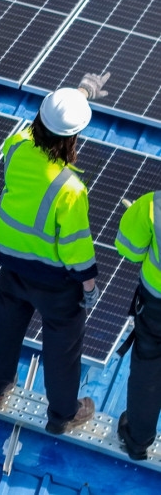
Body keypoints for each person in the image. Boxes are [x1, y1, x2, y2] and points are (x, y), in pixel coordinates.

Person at [0, 71, 110, 435]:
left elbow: (40, 126)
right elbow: (76, 248)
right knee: (62, 346)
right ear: (74, 137)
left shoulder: (16, 147)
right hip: (54, 280)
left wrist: (80, 93)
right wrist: (89, 288)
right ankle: (62, 415)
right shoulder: (70, 188)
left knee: (5, 327)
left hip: (11, 262)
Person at [115, 192, 161, 460]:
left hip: (156, 307)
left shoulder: (154, 205)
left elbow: (128, 249)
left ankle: (137, 440)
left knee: (146, 372)